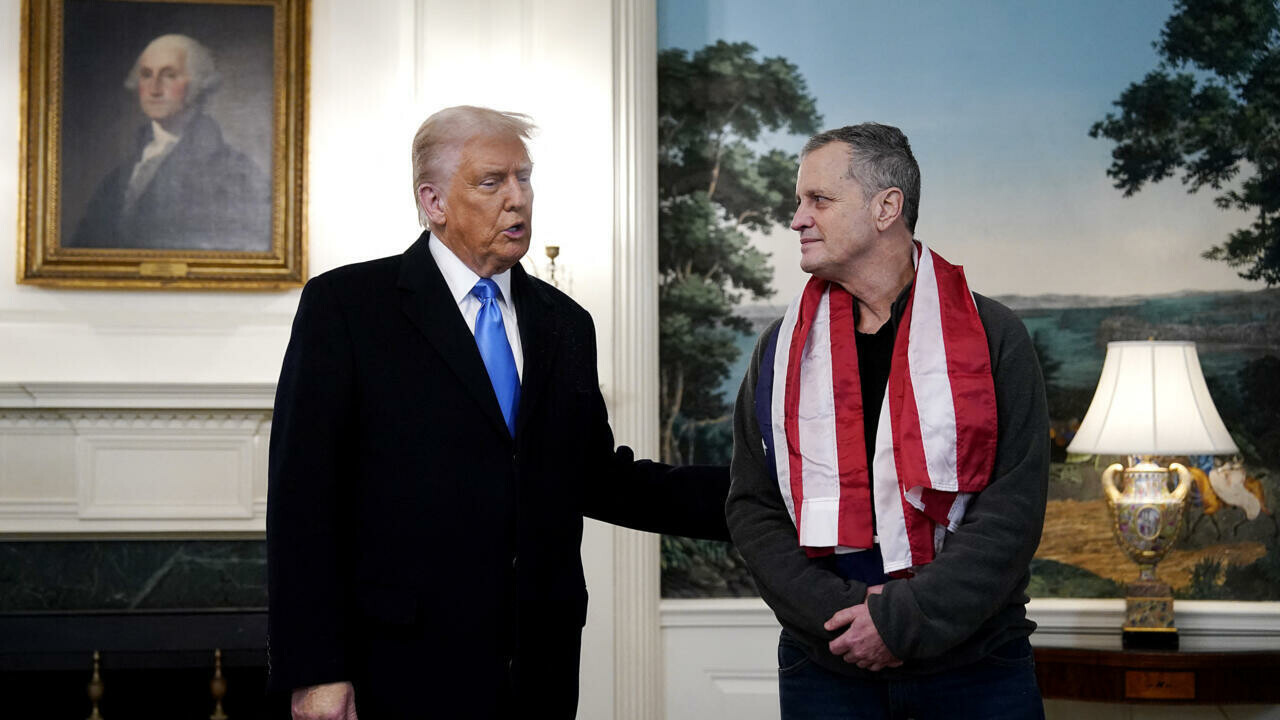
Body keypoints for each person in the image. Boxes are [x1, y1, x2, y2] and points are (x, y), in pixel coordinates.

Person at [267, 105, 730, 719]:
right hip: (398, 668)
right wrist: (315, 670)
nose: (518, 198)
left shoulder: (565, 323)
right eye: (492, 182)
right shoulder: (347, 307)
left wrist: (760, 497)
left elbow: (597, 478)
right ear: (433, 201)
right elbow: (303, 500)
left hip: (537, 669)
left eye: (524, 177)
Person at [725, 123, 1049, 719]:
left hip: (976, 668)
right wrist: (845, 615)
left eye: (819, 200)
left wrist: (902, 620)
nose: (797, 219)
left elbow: (1013, 508)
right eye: (799, 201)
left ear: (886, 208)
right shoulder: (779, 348)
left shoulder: (994, 335)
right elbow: (753, 505)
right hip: (827, 661)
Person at [68, 34, 270, 251]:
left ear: (198, 84)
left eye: (169, 75)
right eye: (146, 75)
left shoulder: (234, 172)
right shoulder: (119, 176)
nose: (154, 89)